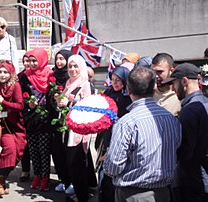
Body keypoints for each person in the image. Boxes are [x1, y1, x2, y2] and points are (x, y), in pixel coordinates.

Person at [103, 67, 182, 202]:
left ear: (128, 90)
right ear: (154, 89)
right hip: (163, 193)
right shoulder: (171, 119)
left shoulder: (126, 123)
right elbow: (177, 148)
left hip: (132, 194)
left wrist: (107, 159)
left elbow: (113, 167)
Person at [162, 62, 208, 202]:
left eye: (174, 84)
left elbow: (185, 152)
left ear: (184, 81)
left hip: (192, 183)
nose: (173, 89)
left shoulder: (189, 110)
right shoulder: (205, 103)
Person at [55, 54, 97, 202]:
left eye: (75, 66)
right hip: (67, 128)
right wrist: (60, 102)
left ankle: (82, 196)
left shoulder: (85, 84)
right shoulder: (68, 83)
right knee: (71, 164)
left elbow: (89, 108)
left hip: (78, 131)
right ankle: (79, 193)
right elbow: (64, 103)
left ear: (82, 67)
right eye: (70, 66)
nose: (72, 69)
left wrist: (69, 104)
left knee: (77, 164)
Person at [95, 66, 132, 202]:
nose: (115, 83)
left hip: (120, 136)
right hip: (106, 135)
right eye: (113, 80)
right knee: (102, 175)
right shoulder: (108, 92)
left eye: (118, 80)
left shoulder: (128, 96)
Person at [19, 48, 53, 191]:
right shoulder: (24, 76)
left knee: (44, 150)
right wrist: (29, 104)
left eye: (35, 60)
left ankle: (45, 177)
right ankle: (37, 175)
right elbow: (20, 97)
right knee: (33, 149)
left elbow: (53, 96)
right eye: (30, 61)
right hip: (31, 117)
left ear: (42, 60)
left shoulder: (50, 75)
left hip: (45, 118)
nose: (32, 64)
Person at [0, 61, 26, 197]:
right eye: (0, 72)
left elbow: (20, 106)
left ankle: (2, 178)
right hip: (1, 126)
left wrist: (3, 102)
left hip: (16, 125)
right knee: (9, 149)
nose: (2, 75)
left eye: (5, 72)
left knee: (18, 150)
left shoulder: (15, 86)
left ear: (11, 73)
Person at [48, 49, 73, 192]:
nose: (59, 62)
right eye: (57, 58)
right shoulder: (52, 76)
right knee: (57, 151)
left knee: (69, 151)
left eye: (62, 59)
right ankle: (63, 179)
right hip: (55, 119)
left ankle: (73, 181)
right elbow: (48, 96)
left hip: (69, 121)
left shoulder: (71, 77)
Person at [18, 51, 31, 182]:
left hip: (37, 114)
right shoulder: (20, 76)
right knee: (24, 143)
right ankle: (25, 169)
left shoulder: (40, 74)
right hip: (23, 113)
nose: (28, 63)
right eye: (25, 61)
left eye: (30, 60)